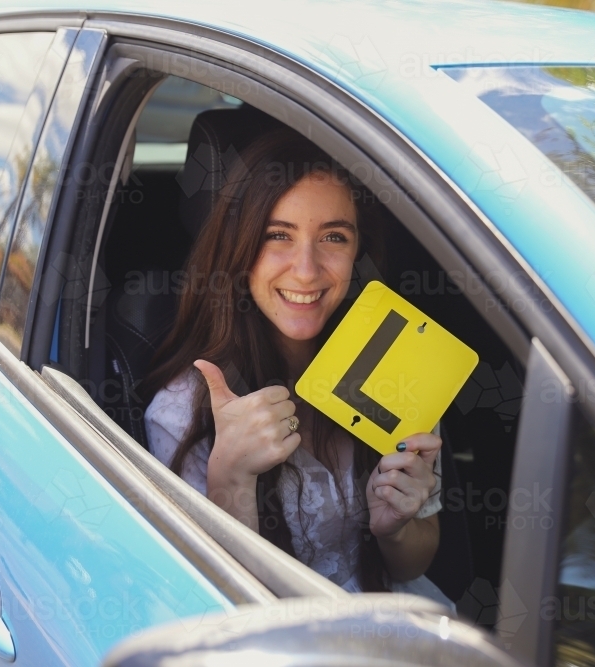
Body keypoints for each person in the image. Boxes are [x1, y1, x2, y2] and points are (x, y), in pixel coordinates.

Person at [142, 128, 449, 601]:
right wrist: (231, 478)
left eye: (333, 237)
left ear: (358, 253)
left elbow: (414, 564)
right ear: (239, 249)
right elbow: (213, 605)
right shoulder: (185, 410)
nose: (306, 270)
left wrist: (396, 529)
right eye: (278, 235)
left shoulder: (398, 361)